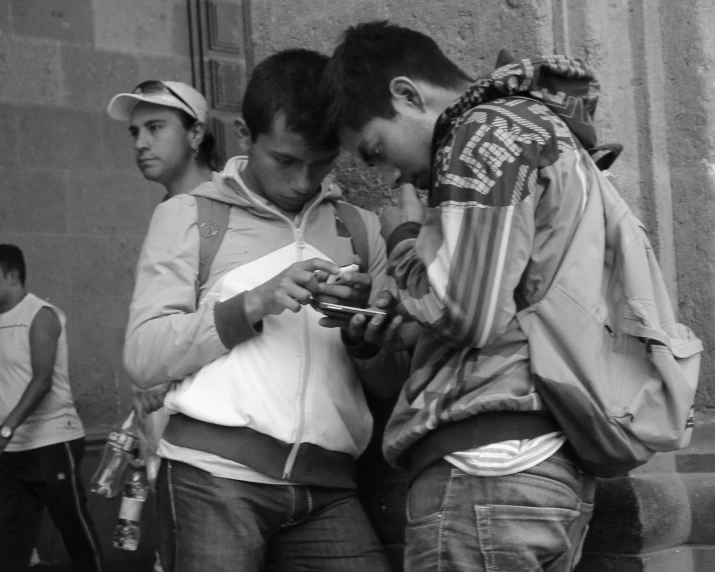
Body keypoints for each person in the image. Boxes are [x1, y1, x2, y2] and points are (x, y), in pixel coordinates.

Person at [322, 21, 602, 572]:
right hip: (546, 463)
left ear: (407, 94)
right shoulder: (539, 128)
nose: (388, 175)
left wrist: (402, 239)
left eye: (376, 150)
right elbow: (510, 300)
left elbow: (467, 314)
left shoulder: (481, 136)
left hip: (489, 473)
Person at [123, 49, 397, 572]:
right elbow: (143, 355)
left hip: (328, 490)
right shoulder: (190, 216)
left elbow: (387, 384)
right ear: (245, 137)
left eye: (322, 161)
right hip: (213, 479)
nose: (303, 180)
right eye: (286, 160)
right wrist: (252, 303)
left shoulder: (362, 229)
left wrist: (363, 333)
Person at [108, 80, 220, 572]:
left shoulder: (229, 206)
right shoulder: (170, 211)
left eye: (155, 127)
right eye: (135, 131)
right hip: (169, 429)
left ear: (196, 134)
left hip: (219, 439)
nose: (140, 143)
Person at [0, 244, 104, 572]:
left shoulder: (40, 315)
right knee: (11, 538)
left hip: (52, 442)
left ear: (11, 275)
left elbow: (42, 380)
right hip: (11, 450)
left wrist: (6, 428)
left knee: (73, 526)